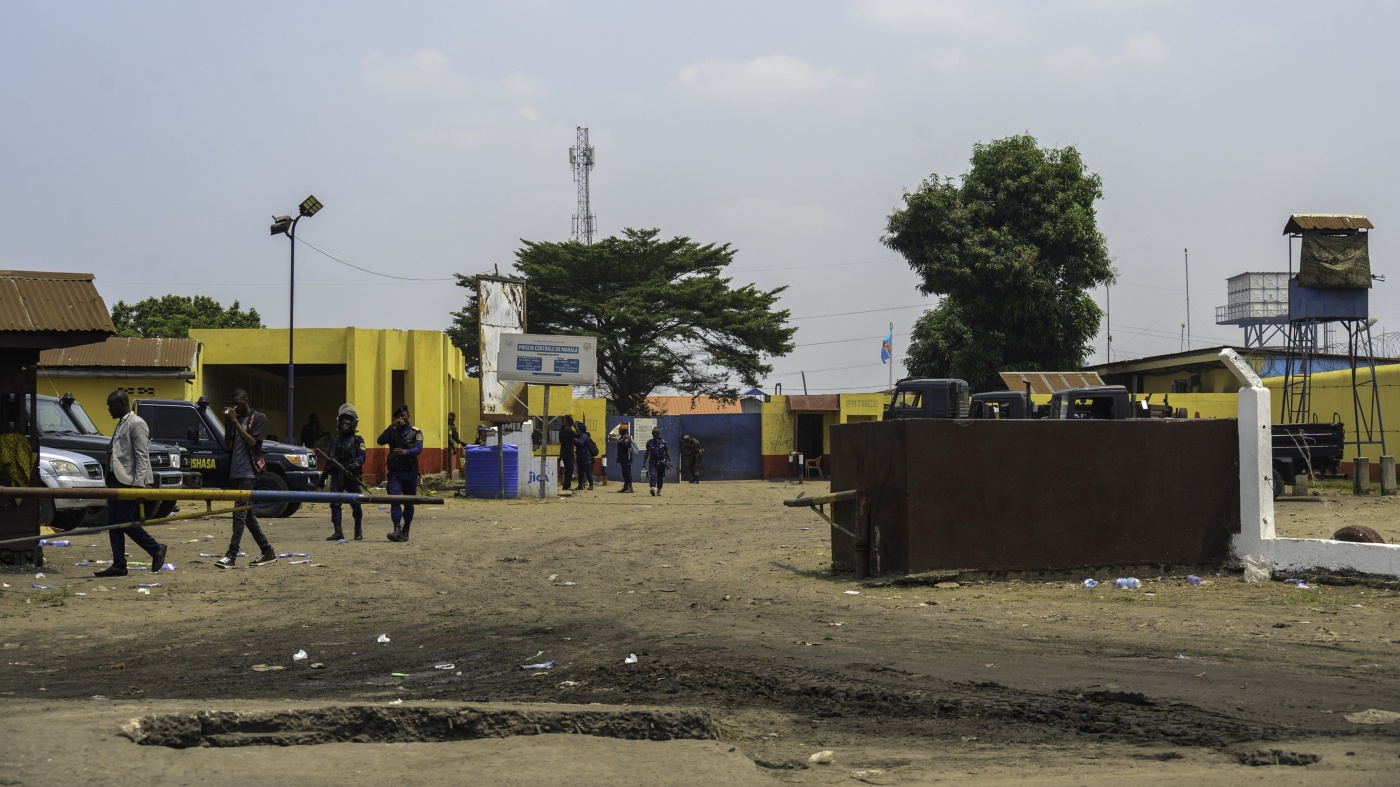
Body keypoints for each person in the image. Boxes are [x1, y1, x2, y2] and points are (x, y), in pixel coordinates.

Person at [94, 390, 167, 578]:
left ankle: (156, 549)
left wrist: (138, 485)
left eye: (111, 406)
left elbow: (142, 456)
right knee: (113, 524)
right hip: (114, 479)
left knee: (125, 523)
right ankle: (119, 564)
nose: (109, 410)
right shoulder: (121, 423)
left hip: (128, 481)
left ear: (122, 404)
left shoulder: (137, 423)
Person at [217, 388, 277, 568]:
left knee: (239, 514)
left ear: (246, 400)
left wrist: (235, 422)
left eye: (239, 403)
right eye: (233, 403)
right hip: (235, 472)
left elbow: (252, 443)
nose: (235, 406)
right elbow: (228, 446)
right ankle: (267, 551)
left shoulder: (258, 418)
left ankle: (232, 554)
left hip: (249, 473)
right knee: (248, 515)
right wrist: (228, 424)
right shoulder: (235, 420)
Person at [320, 405, 366, 541]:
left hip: (351, 477)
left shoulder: (358, 440)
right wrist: (323, 477)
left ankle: (358, 530)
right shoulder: (335, 441)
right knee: (335, 504)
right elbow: (329, 460)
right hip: (336, 476)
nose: (345, 425)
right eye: (343, 423)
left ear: (353, 424)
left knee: (356, 504)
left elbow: (362, 457)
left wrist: (354, 465)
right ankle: (338, 531)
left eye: (348, 423)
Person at [378, 404, 423, 542]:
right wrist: (391, 426)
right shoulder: (392, 430)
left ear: (408, 416)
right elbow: (380, 441)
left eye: (402, 416)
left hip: (410, 472)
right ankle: (396, 529)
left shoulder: (416, 432)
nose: (400, 419)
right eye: (398, 417)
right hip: (395, 473)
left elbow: (418, 449)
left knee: (409, 503)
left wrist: (405, 452)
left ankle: (406, 529)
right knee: (394, 500)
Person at [645, 427, 672, 497]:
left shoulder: (663, 442)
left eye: (656, 433)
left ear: (659, 434)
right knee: (653, 474)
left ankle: (659, 490)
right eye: (654, 434)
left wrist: (670, 460)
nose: (655, 435)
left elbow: (667, 451)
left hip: (662, 462)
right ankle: (652, 488)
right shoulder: (649, 442)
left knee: (660, 476)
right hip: (653, 461)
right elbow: (647, 453)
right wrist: (643, 462)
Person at [558, 415, 578, 491]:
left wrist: (560, 456)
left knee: (567, 469)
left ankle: (566, 485)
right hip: (569, 452)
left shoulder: (562, 430)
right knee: (570, 469)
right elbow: (578, 435)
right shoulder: (568, 430)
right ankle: (566, 486)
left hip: (563, 451)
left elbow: (562, 443)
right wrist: (576, 427)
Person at [615, 423, 636, 493]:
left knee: (627, 473)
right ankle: (625, 487)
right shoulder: (621, 437)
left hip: (627, 458)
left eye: (620, 430)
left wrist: (620, 443)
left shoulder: (626, 437)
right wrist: (618, 458)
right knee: (624, 473)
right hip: (622, 458)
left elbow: (628, 445)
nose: (619, 431)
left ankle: (630, 487)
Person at [574, 422, 595, 491]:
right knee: (580, 472)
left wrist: (573, 440)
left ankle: (591, 485)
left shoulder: (584, 436)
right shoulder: (580, 435)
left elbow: (580, 443)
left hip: (586, 456)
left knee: (587, 471)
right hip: (580, 456)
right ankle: (580, 485)